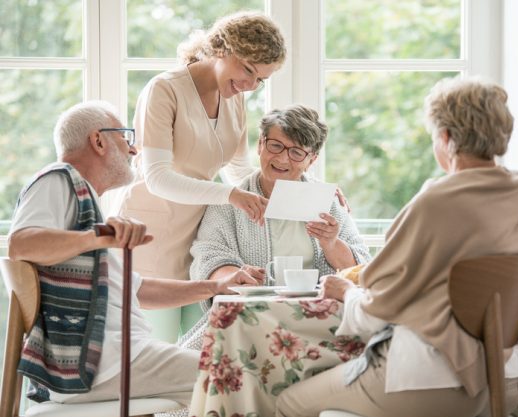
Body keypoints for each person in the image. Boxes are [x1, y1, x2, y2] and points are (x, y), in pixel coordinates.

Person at [275, 77, 518, 417]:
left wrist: (345, 292)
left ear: (445, 139)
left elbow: (374, 314)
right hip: (506, 382)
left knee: (288, 403)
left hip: (422, 383)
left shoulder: (432, 203)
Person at [7, 101, 257, 405]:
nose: (134, 150)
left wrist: (216, 287)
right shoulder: (58, 179)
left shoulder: (86, 202)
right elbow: (21, 243)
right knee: (244, 380)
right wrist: (98, 238)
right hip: (100, 363)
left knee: (232, 379)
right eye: (126, 137)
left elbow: (137, 290)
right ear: (98, 141)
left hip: (112, 358)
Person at [117, 11, 287, 341]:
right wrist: (230, 195)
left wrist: (305, 192)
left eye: (260, 80)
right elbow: (156, 177)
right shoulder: (164, 90)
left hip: (200, 242)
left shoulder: (235, 100)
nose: (250, 85)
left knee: (206, 349)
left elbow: (239, 171)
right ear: (221, 48)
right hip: (152, 238)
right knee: (157, 351)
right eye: (248, 70)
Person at [179, 105, 370, 348]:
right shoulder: (231, 200)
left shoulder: (327, 202)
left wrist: (331, 243)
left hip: (315, 319)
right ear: (260, 144)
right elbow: (210, 255)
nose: (282, 159)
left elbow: (359, 269)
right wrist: (235, 277)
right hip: (252, 315)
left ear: (312, 160)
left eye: (297, 152)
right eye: (276, 146)